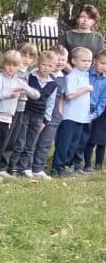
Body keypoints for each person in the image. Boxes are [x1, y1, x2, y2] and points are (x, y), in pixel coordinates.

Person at [0, 51, 40, 176]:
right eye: (8, 64)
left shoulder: (18, 81)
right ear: (3, 64)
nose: (11, 68)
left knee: (2, 145)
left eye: (15, 65)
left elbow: (36, 95)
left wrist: (25, 90)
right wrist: (9, 95)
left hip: (8, 117)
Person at [11, 50, 59, 178]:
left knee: (31, 143)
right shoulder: (30, 76)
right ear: (38, 63)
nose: (46, 68)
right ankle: (13, 167)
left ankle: (24, 167)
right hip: (26, 112)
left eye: (50, 66)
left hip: (39, 117)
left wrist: (45, 120)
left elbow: (50, 103)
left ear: (54, 67)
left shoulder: (53, 84)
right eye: (44, 64)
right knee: (20, 141)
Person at [51, 47, 94, 175]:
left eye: (89, 61)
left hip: (82, 116)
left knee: (75, 144)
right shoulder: (72, 76)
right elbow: (69, 96)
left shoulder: (85, 75)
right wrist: (85, 89)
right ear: (74, 61)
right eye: (84, 61)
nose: (87, 63)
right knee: (64, 144)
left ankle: (69, 166)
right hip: (70, 116)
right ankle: (57, 168)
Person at [80, 49, 106, 171]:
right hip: (83, 109)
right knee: (88, 139)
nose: (104, 66)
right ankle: (86, 165)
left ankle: (99, 165)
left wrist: (96, 113)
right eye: (102, 63)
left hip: (99, 112)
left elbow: (103, 100)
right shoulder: (86, 75)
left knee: (100, 138)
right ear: (95, 61)